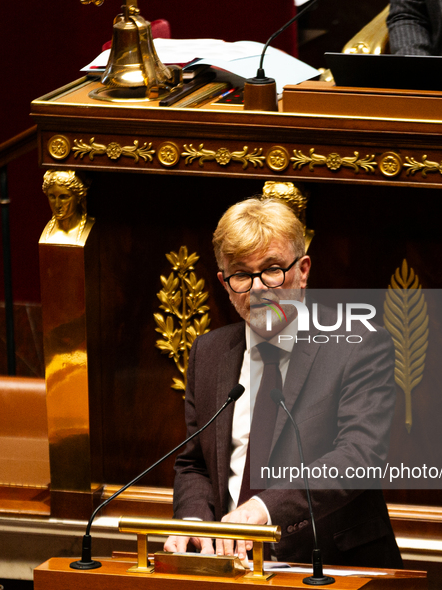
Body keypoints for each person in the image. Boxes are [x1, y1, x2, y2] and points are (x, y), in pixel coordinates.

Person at [165, 197, 402, 568]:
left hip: (334, 568)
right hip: (228, 569)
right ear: (224, 283)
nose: (259, 289)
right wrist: (193, 520)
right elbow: (195, 464)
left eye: (273, 270)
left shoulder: (359, 344)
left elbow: (359, 456)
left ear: (303, 270)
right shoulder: (209, 353)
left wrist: (260, 510)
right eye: (242, 275)